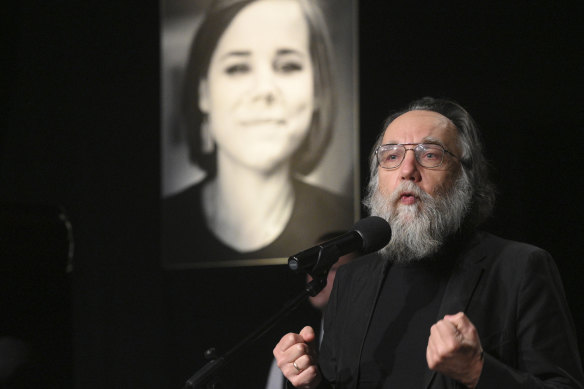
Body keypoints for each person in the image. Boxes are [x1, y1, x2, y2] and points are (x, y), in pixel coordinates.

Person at [273, 97, 584, 388]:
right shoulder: (352, 280)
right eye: (392, 156)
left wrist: (478, 372)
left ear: (465, 178)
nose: (408, 170)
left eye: (430, 155)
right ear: (376, 178)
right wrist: (311, 383)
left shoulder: (520, 268)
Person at [162, 0, 354, 266]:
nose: (264, 89)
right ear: (203, 93)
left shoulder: (353, 227)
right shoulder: (159, 226)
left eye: (288, 66)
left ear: (318, 90)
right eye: (238, 68)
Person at [266, 231, 361, 389]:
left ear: (361, 276)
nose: (316, 276)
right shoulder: (291, 353)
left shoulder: (376, 340)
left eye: (332, 268)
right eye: (312, 268)